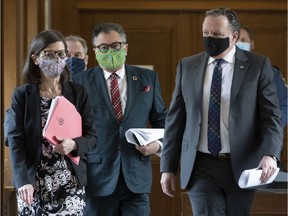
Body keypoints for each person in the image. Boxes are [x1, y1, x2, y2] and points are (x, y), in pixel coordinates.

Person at [160, 7, 283, 216]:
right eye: (206, 33)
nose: (210, 39)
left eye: (217, 35)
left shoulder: (257, 65)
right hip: (201, 165)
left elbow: (271, 116)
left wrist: (270, 154)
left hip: (242, 164)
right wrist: (167, 168)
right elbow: (175, 120)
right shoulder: (187, 66)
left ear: (233, 36)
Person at [72, 22, 167, 216]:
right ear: (95, 51)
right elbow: (74, 129)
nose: (110, 51)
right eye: (103, 48)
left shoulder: (147, 79)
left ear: (125, 47)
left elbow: (163, 121)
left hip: (136, 177)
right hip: (97, 178)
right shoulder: (80, 82)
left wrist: (156, 145)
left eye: (115, 46)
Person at [6, 30, 97, 215]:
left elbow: (92, 136)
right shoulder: (22, 95)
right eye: (49, 54)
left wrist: (74, 144)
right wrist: (22, 181)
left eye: (61, 53)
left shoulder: (78, 93)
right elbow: (16, 142)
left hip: (70, 181)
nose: (56, 59)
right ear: (36, 58)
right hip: (33, 183)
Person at [236, 26, 288, 128]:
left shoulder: (272, 73)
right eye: (236, 40)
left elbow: (285, 106)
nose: (239, 44)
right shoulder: (220, 73)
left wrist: (270, 129)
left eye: (243, 40)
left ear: (252, 44)